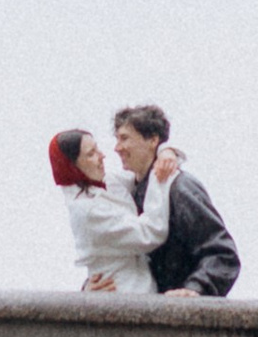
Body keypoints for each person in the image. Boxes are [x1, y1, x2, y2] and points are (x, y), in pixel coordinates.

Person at [112, 105, 239, 297]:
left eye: (124, 138)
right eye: (117, 139)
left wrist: (195, 289)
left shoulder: (180, 188)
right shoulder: (125, 193)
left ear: (153, 140)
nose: (117, 148)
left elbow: (222, 254)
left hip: (177, 317)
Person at [48, 126, 180, 296]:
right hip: (122, 297)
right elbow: (151, 232)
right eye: (91, 154)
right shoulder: (87, 210)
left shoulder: (105, 182)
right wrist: (163, 172)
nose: (102, 156)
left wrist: (164, 152)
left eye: (97, 149)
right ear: (73, 167)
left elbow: (143, 173)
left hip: (141, 292)